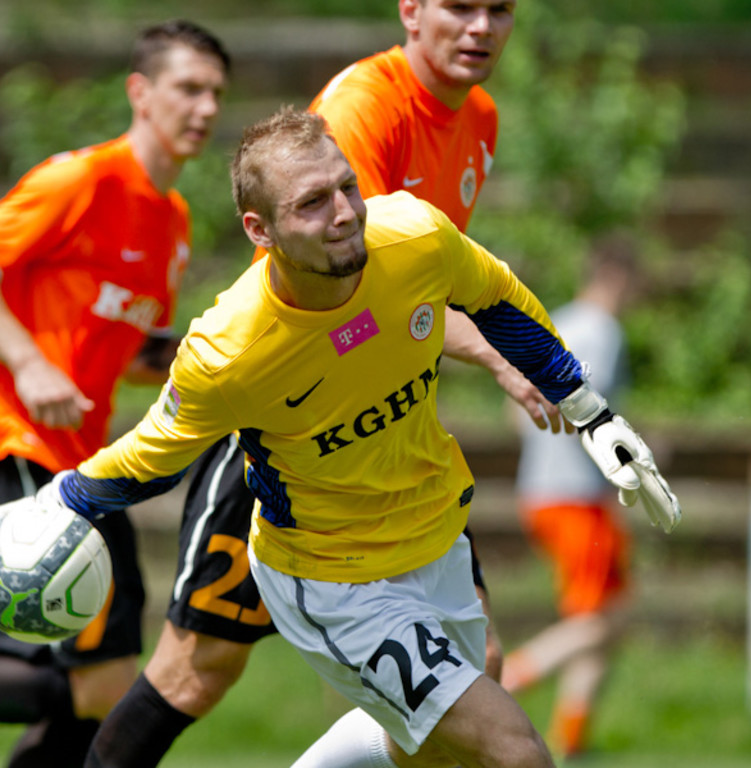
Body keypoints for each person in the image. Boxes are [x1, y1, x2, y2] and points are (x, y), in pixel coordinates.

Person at [26, 106, 679, 768]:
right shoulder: (229, 350)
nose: (344, 212)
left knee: (438, 734)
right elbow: (154, 456)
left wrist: (590, 412)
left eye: (346, 187)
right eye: (312, 203)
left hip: (434, 530)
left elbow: (497, 299)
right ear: (261, 230)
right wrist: (63, 500)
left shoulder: (414, 236)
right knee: (511, 749)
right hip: (334, 579)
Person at [83, 3, 569, 765]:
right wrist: (503, 357)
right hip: (291, 438)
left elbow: (420, 289)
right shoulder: (363, 108)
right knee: (195, 671)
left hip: (387, 443)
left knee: (475, 681)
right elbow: (357, 296)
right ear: (411, 9)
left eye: (498, 8)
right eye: (459, 6)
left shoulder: (478, 115)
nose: (481, 27)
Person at [0, 19, 229, 767]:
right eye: (188, 88)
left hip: (86, 465)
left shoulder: (173, 220)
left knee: (104, 690)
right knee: (103, 687)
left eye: (215, 94)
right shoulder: (80, 181)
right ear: (140, 90)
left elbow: (128, 349)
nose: (204, 107)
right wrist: (30, 364)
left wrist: (208, 363)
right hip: (20, 447)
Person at [500, 233, 639, 761]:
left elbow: (518, 409)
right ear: (619, 277)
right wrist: (630, 462)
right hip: (577, 494)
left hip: (539, 487)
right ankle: (509, 680)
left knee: (607, 617)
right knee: (600, 622)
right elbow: (590, 409)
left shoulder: (554, 320)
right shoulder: (603, 331)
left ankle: (573, 739)